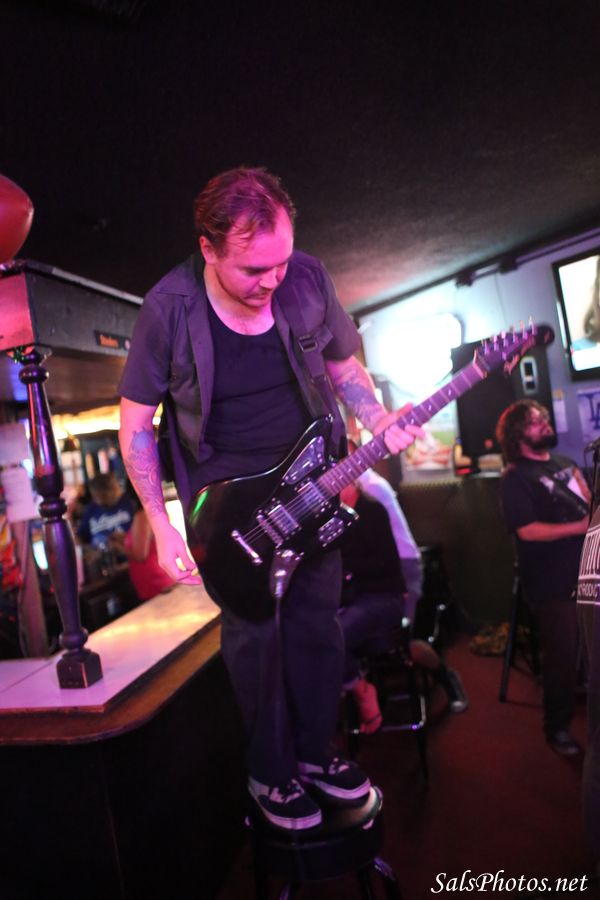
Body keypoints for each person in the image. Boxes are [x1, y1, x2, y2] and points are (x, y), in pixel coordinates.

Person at [118, 167, 420, 831]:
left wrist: (375, 418)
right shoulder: (169, 309)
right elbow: (136, 425)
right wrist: (161, 525)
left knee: (318, 623)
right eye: (255, 269)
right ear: (208, 248)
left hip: (311, 483)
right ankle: (269, 772)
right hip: (226, 505)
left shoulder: (306, 278)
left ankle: (314, 755)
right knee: (256, 637)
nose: (273, 280)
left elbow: (344, 367)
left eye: (281, 261)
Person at [339, 466, 468, 733]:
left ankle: (448, 679)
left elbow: (381, 557)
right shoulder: (348, 493)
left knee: (405, 641)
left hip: (402, 566)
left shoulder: (370, 490)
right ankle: (363, 688)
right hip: (374, 581)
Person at [496, 399, 590, 755]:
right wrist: (578, 527)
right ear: (518, 434)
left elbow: (588, 502)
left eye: (544, 418)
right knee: (561, 656)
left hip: (586, 571)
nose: (544, 423)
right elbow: (527, 530)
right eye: (536, 421)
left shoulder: (565, 463)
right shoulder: (515, 478)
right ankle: (557, 727)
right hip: (551, 582)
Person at [76, 473, 134, 551]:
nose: (101, 499)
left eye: (105, 494)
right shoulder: (91, 509)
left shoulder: (130, 503)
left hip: (126, 551)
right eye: (97, 496)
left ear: (115, 489)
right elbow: (80, 536)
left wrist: (123, 537)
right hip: (98, 553)